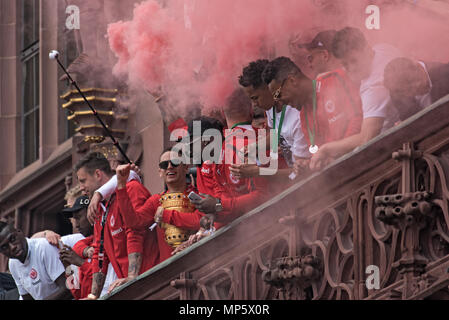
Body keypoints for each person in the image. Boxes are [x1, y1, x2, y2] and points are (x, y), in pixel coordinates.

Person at [74, 152, 157, 300]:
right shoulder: (99, 208)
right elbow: (100, 253)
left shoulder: (131, 189)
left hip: (151, 281)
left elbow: (135, 232)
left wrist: (133, 276)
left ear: (98, 174)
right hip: (129, 288)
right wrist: (93, 296)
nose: (81, 188)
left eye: (83, 181)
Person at [262, 56, 363, 171]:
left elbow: (358, 121)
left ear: (292, 81)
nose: (280, 102)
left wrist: (332, 153)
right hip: (343, 172)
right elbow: (317, 152)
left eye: (278, 95)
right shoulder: (303, 116)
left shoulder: (333, 80)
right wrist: (308, 163)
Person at [115, 148, 204, 262]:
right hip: (168, 271)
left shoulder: (198, 195)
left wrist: (166, 215)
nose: (169, 167)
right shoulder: (156, 201)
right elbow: (134, 223)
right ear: (160, 172)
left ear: (186, 168)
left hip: (198, 263)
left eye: (175, 162)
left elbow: (200, 220)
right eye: (164, 164)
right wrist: (121, 186)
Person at [328, 27, 402, 154]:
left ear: (367, 49)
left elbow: (367, 139)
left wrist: (326, 149)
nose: (351, 68)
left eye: (354, 61)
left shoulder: (373, 87)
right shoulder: (382, 48)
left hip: (394, 145)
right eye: (345, 64)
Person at [0, 221, 73, 300]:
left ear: (19, 232)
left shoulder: (43, 247)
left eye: (13, 239)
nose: (12, 247)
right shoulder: (12, 263)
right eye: (4, 247)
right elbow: (26, 297)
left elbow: (68, 287)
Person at [384, 57, 449, 121]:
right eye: (408, 90)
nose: (414, 90)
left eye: (413, 81)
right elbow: (412, 124)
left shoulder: (445, 74)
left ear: (419, 66)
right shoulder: (397, 91)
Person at [59, 196, 94, 300]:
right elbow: (77, 294)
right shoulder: (83, 243)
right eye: (74, 219)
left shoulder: (106, 240)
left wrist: (80, 262)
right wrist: (68, 268)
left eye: (78, 217)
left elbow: (104, 279)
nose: (76, 225)